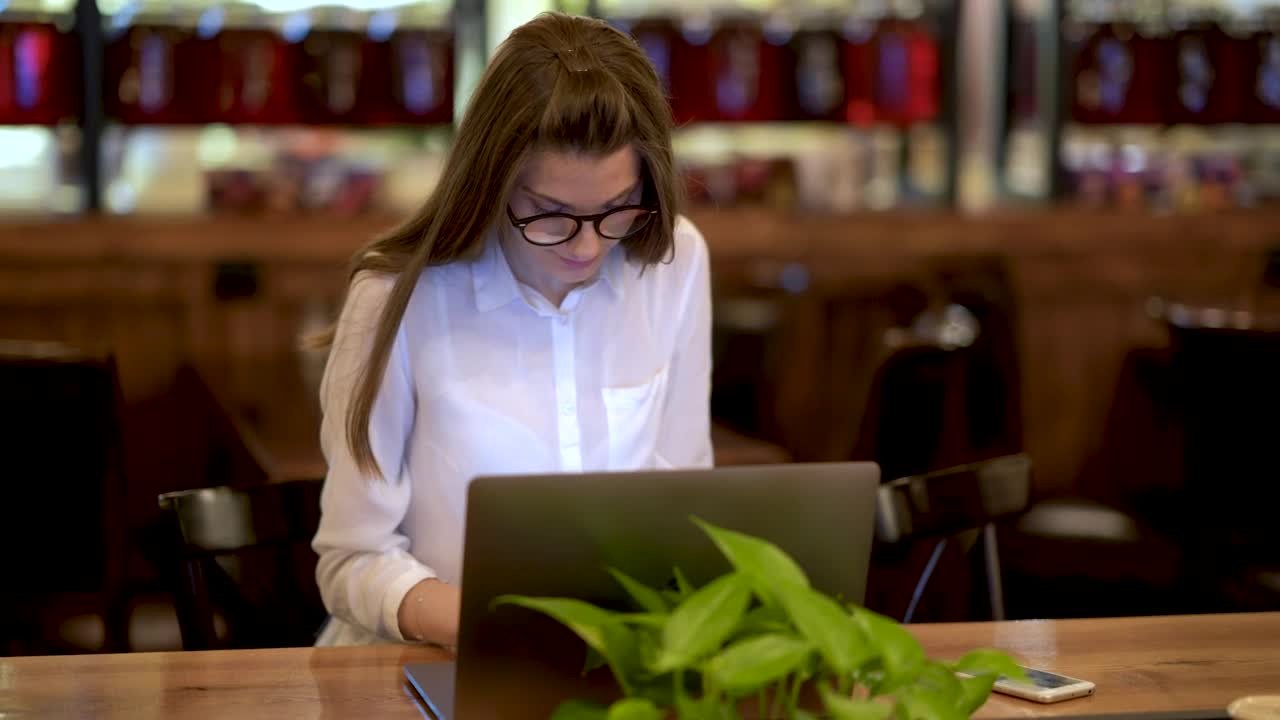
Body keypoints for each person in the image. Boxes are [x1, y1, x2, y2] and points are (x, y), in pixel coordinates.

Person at [310, 11, 712, 648]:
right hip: (425, 663)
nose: (587, 247)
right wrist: (504, 629)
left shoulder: (674, 261)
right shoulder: (397, 296)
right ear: (492, 182)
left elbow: (688, 503)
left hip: (610, 662)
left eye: (616, 209)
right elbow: (352, 562)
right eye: (551, 214)